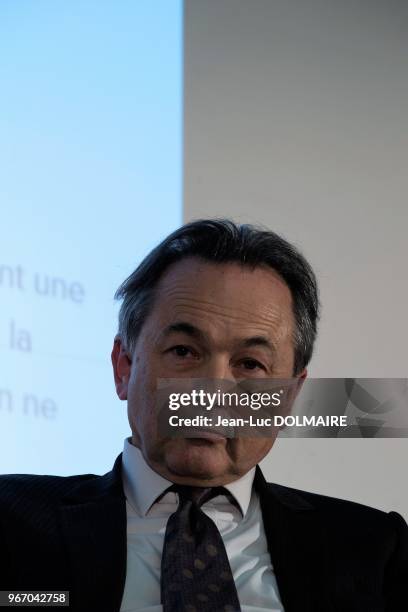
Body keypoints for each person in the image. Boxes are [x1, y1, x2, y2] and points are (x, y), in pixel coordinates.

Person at [0, 219, 406, 612]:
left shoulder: (374, 547)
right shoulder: (11, 518)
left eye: (250, 364)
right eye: (183, 352)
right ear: (123, 367)